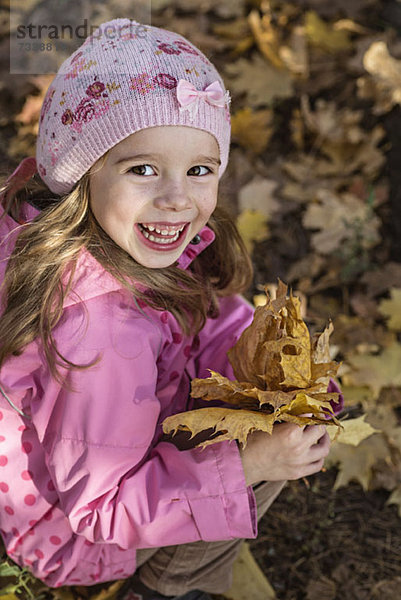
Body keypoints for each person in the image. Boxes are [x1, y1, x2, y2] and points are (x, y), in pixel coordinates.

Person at [0, 19, 341, 600]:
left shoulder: (119, 236)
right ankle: (168, 587)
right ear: (80, 174)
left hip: (106, 443)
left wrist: (267, 363)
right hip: (72, 531)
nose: (178, 197)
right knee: (250, 462)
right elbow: (101, 512)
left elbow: (208, 318)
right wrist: (248, 466)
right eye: (143, 169)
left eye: (199, 170)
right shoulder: (97, 331)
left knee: (267, 423)